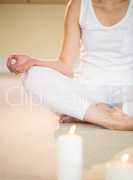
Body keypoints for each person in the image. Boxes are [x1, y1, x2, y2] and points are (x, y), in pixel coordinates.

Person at [7, 0, 133, 131]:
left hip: (128, 93)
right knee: (32, 76)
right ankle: (111, 120)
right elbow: (65, 65)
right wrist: (32, 62)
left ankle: (86, 114)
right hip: (87, 92)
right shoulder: (78, 4)